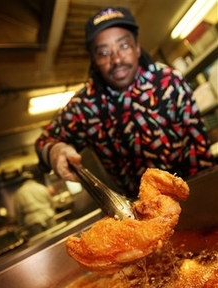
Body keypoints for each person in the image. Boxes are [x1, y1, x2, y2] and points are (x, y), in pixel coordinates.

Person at [35, 6, 215, 199]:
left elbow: (200, 150)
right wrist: (55, 151)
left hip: (192, 191)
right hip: (138, 211)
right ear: (94, 61)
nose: (117, 59)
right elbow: (44, 141)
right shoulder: (85, 106)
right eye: (104, 53)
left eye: (123, 46)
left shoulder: (170, 82)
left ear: (137, 48)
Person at [13, 171, 56, 238]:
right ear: (32, 178)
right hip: (48, 216)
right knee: (55, 238)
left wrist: (21, 226)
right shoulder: (41, 187)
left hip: (32, 222)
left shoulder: (19, 193)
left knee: (41, 244)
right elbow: (52, 202)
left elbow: (19, 213)